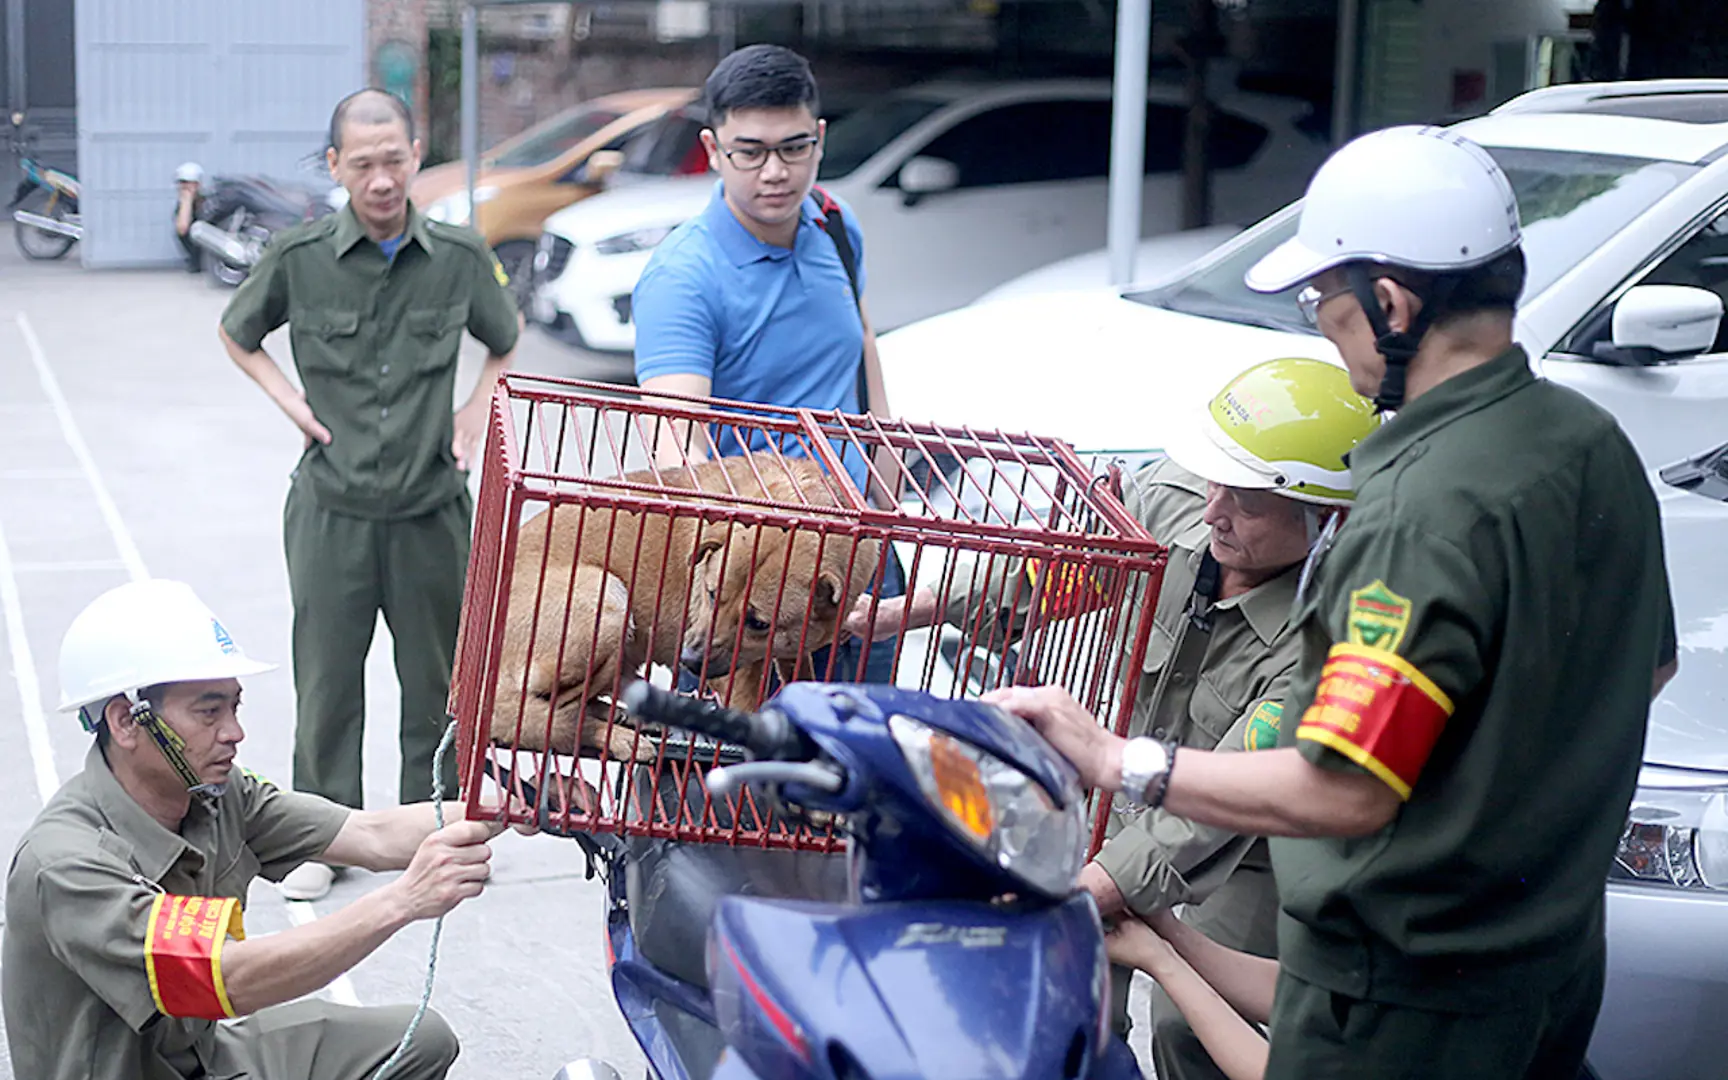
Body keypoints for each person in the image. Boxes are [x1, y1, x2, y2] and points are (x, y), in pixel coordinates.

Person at [989, 125, 1678, 1080]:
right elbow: (1647, 668)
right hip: (1546, 966)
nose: (1322, 325)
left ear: (1390, 304)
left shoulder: (1419, 505)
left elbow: (1341, 786)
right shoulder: (1589, 445)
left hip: (1400, 1001)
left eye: (1325, 301)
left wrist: (1118, 759)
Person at [851, 357, 1379, 1080]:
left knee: (1195, 1031)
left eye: (1247, 501)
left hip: (1250, 837)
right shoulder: (1177, 499)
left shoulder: (1334, 634)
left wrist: (1097, 888)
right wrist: (904, 613)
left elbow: (1215, 811)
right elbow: (1056, 565)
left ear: (1325, 519)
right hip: (1114, 784)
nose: (1214, 509)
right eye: (1215, 480)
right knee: (1068, 995)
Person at [3, 579, 503, 1080]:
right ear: (126, 722)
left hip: (206, 1058)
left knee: (419, 1041)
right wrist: (403, 900)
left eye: (233, 706)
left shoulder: (214, 793)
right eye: (208, 711)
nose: (234, 732)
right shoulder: (67, 864)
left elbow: (372, 834)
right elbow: (224, 978)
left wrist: (519, 804)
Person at [218, 89, 520, 901]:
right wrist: (290, 403)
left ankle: (443, 831)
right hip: (330, 509)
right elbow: (238, 333)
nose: (381, 180)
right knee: (327, 682)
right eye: (363, 164)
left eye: (394, 160)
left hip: (431, 508)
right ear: (334, 166)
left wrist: (472, 409)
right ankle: (323, 838)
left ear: (416, 154)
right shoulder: (300, 255)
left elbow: (505, 338)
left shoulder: (457, 256)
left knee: (440, 684)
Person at [631, 44, 900, 685]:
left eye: (793, 147)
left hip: (856, 556)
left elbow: (863, 354)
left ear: (821, 139)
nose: (774, 171)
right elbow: (674, 438)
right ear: (714, 148)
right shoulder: (683, 275)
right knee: (734, 776)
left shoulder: (836, 225)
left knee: (856, 765)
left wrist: (888, 506)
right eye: (750, 152)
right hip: (752, 583)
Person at [174, 161, 205, 273]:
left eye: (188, 183)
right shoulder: (183, 205)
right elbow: (182, 229)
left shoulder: (208, 203)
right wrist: (186, 200)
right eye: (182, 183)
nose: (184, 187)